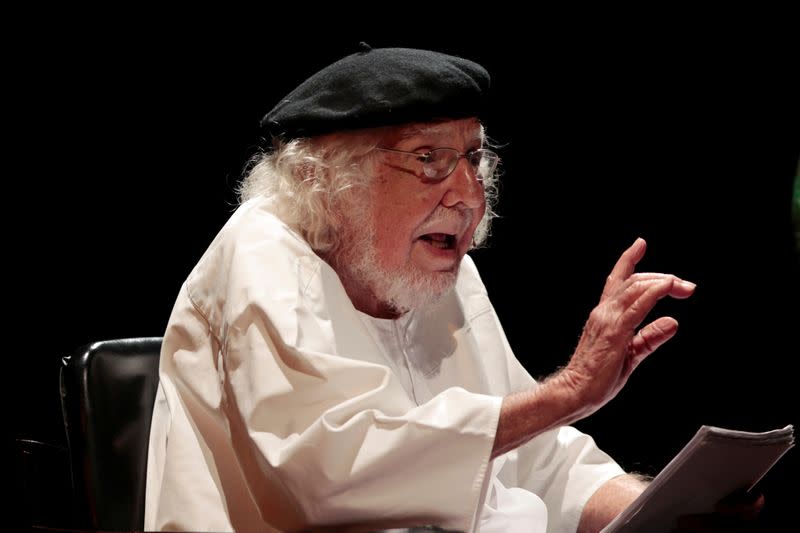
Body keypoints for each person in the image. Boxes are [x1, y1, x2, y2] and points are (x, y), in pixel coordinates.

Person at [144, 45, 763, 532]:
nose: (468, 195)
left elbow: (534, 461)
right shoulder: (263, 250)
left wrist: (657, 508)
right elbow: (329, 473)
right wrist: (569, 392)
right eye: (428, 160)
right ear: (329, 181)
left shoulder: (437, 269)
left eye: (473, 157)